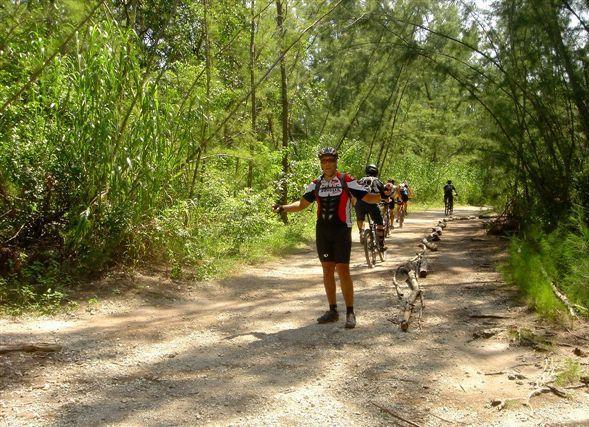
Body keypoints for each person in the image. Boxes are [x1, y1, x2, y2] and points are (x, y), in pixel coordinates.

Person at [272, 147, 384, 329]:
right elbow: (301, 204)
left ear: (336, 161)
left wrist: (384, 195)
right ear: (321, 163)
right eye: (323, 161)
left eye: (330, 160)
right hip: (323, 231)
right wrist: (283, 207)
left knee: (343, 271)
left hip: (342, 230)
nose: (327, 164)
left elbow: (368, 198)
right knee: (327, 270)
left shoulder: (346, 180)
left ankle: (350, 312)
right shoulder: (316, 183)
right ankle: (332, 310)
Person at [354, 164, 391, 251]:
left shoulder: (360, 180)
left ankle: (362, 232)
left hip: (359, 203)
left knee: (360, 219)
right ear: (376, 172)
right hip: (372, 203)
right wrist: (387, 200)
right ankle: (381, 245)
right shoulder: (377, 181)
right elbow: (383, 195)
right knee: (380, 223)